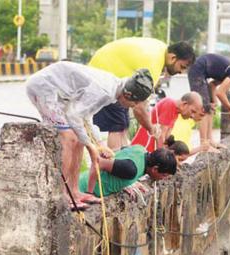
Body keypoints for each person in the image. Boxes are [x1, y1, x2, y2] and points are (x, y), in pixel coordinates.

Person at [26, 61, 154, 210]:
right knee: (69, 138)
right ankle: (62, 194)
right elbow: (74, 115)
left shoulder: (114, 90)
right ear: (127, 94)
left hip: (64, 96)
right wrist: (90, 146)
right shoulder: (105, 90)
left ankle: (75, 191)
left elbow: (86, 116)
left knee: (79, 140)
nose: (133, 107)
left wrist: (98, 144)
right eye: (134, 103)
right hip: (43, 88)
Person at [89, 38, 196, 150]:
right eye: (182, 67)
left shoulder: (162, 49)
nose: (181, 72)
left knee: (123, 124)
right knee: (117, 125)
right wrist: (151, 128)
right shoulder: (153, 66)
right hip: (103, 76)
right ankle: (115, 164)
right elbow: (139, 108)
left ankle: (122, 159)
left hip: (110, 73)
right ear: (173, 57)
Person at [79, 145, 177, 197]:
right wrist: (89, 194)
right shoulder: (131, 170)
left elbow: (121, 151)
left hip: (82, 180)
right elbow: (98, 163)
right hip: (82, 188)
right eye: (164, 175)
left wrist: (125, 183)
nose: (162, 179)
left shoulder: (141, 149)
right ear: (155, 169)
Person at [131, 92, 204, 152]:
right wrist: (163, 159)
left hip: (150, 147)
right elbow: (160, 135)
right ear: (184, 104)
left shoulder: (175, 112)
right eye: (192, 111)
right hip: (143, 146)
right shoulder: (169, 105)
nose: (193, 116)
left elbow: (166, 137)